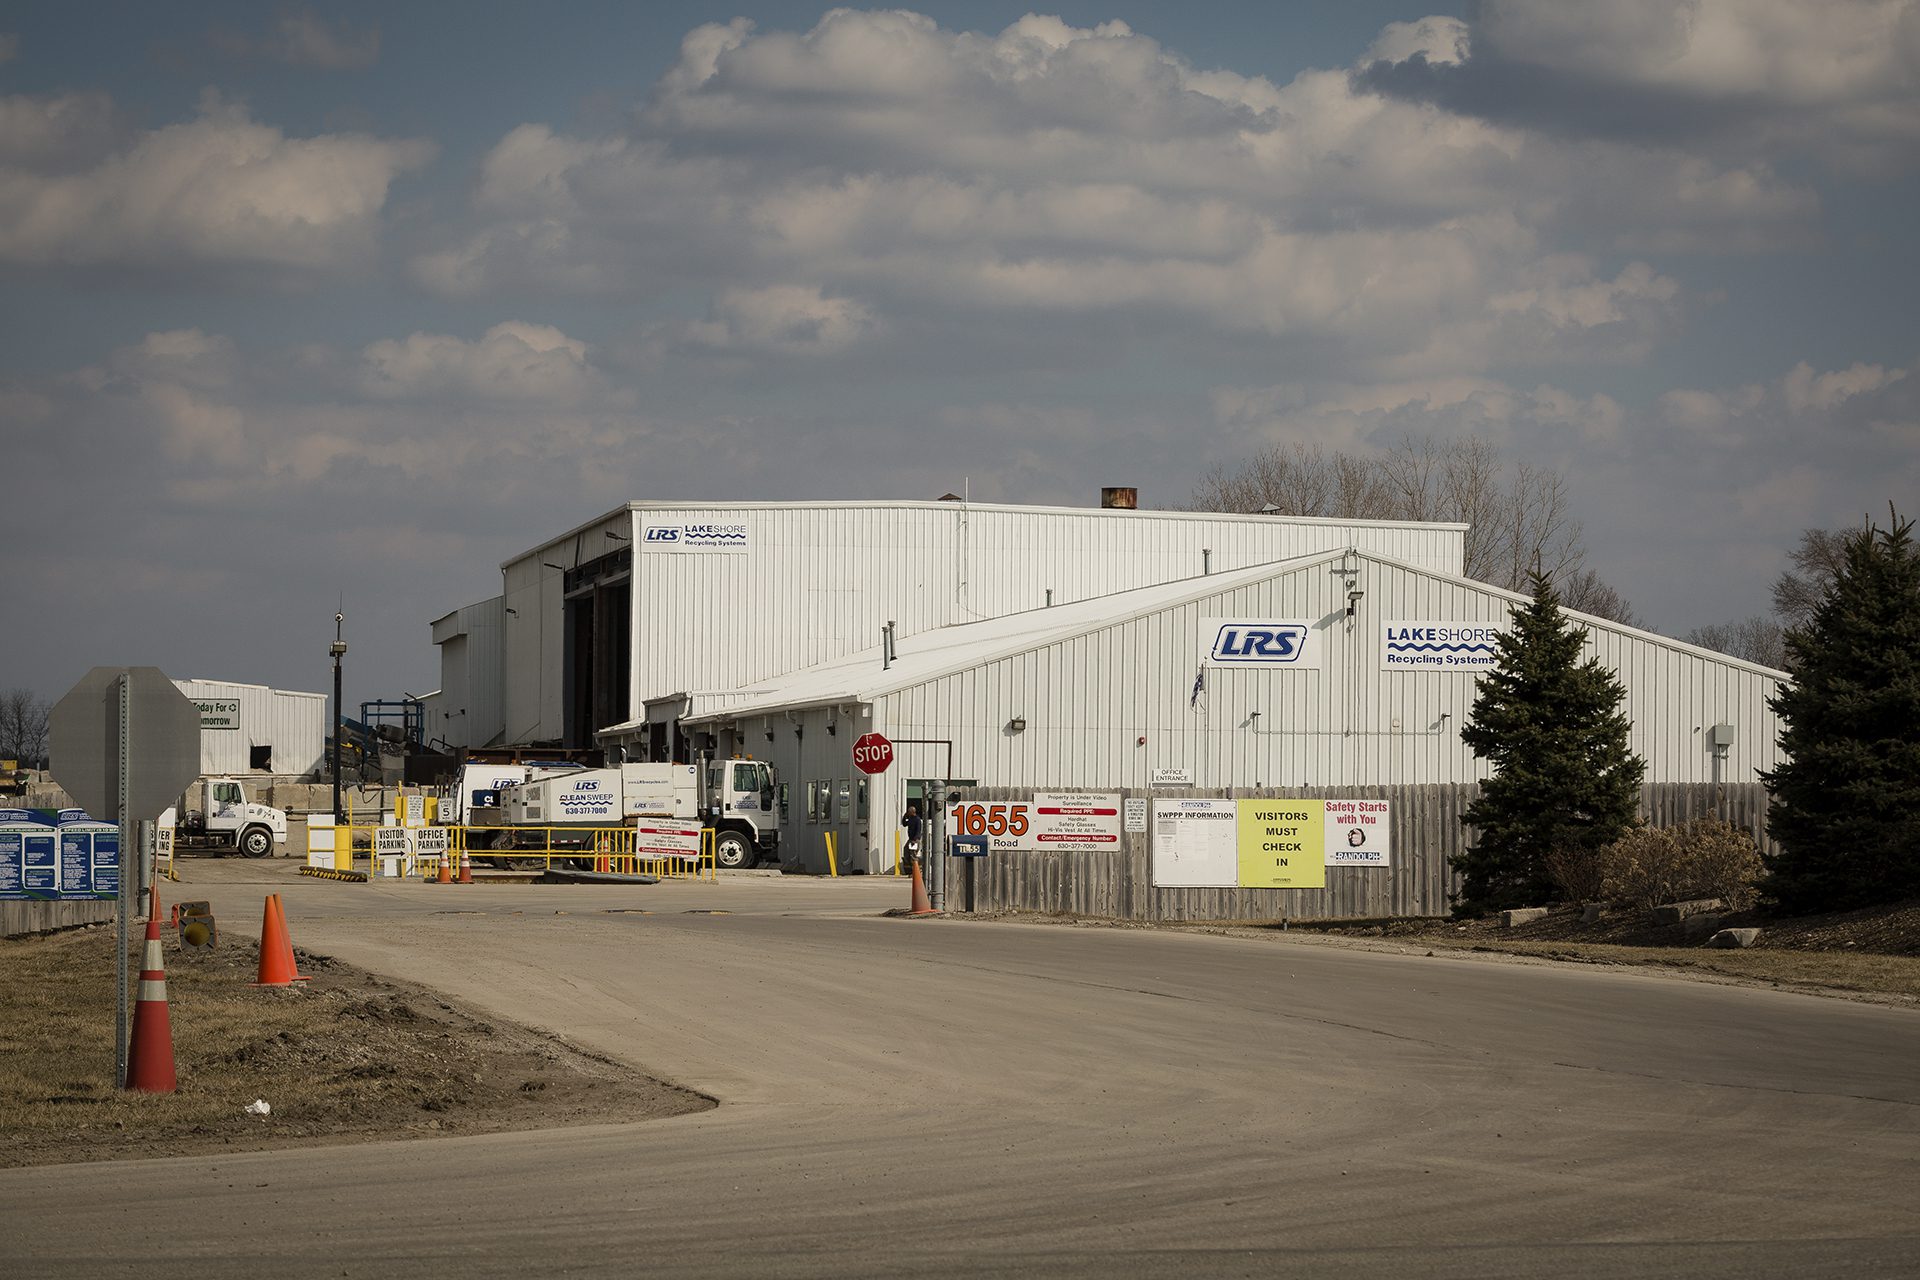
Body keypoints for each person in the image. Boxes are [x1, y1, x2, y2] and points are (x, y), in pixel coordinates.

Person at [901, 803, 923, 871]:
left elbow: (918, 830)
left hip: (915, 840)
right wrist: (904, 816)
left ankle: (915, 870)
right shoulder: (910, 819)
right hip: (910, 839)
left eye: (909, 812)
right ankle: (909, 868)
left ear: (912, 812)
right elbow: (904, 824)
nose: (908, 813)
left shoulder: (917, 819)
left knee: (913, 854)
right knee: (906, 850)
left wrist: (915, 839)